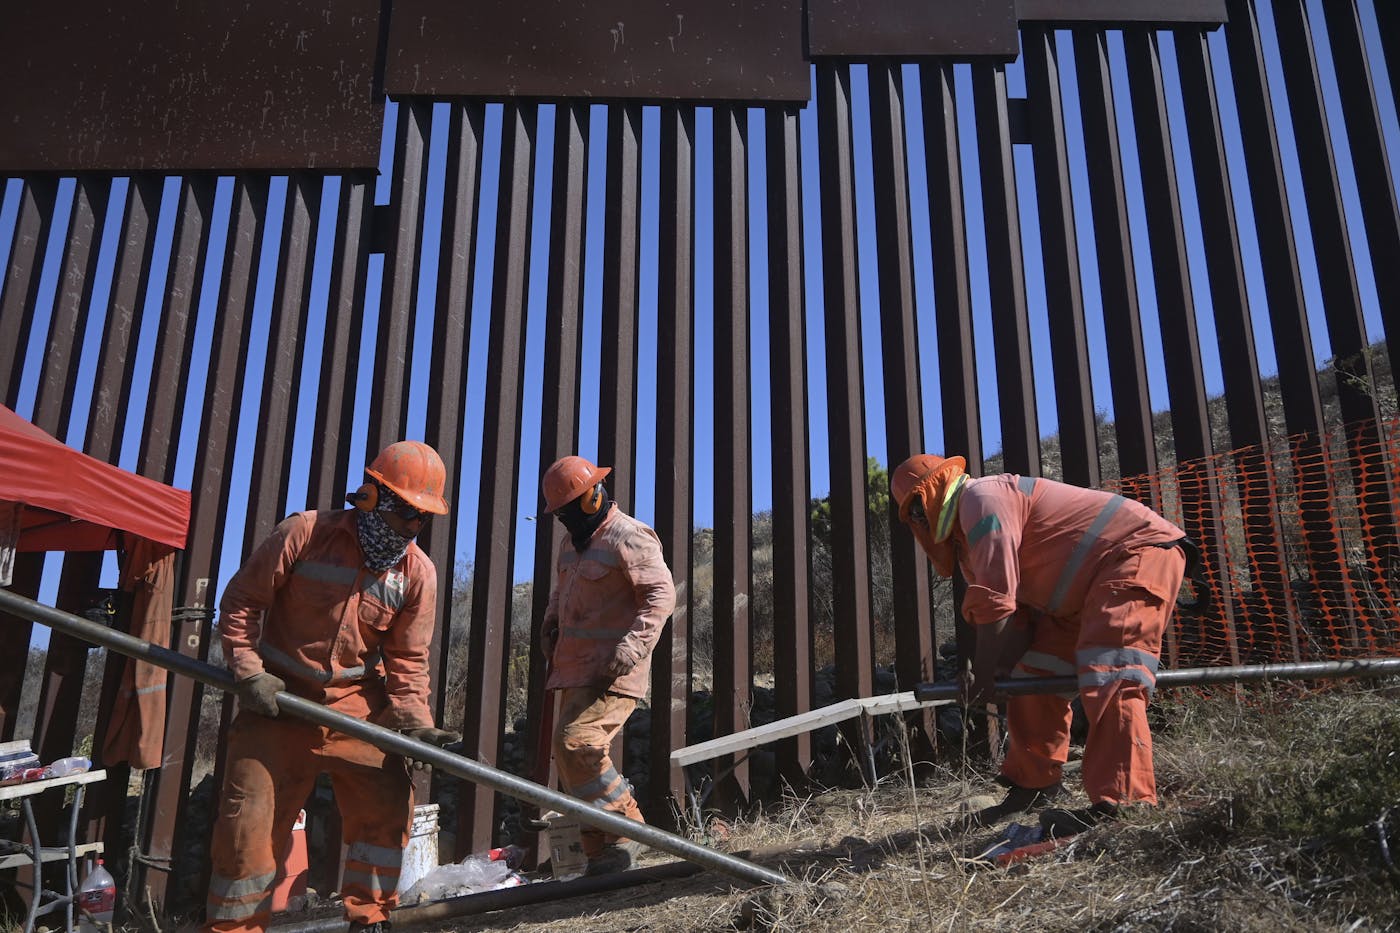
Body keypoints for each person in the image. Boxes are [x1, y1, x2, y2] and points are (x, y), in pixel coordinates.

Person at [205, 441, 461, 933]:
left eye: (423, 518)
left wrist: (418, 727)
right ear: (370, 497)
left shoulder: (416, 574)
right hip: (278, 706)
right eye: (406, 512)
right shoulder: (305, 533)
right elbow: (241, 603)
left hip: (356, 710)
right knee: (247, 829)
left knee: (385, 813)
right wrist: (249, 672)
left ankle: (370, 920)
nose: (413, 526)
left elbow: (408, 662)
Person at [890, 454, 1189, 837]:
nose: (917, 521)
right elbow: (1016, 616)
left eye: (916, 509)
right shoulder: (968, 539)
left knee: (1112, 673)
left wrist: (981, 674)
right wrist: (998, 671)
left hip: (1134, 554)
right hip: (1081, 595)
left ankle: (1124, 804)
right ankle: (1035, 786)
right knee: (1031, 680)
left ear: (929, 495)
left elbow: (997, 597)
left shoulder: (982, 500)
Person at [538, 455, 676, 875]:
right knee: (569, 756)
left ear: (592, 495)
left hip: (615, 668)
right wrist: (551, 620)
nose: (566, 521)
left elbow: (661, 595)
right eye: (560, 515)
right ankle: (600, 851)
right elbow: (563, 593)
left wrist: (632, 648)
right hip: (577, 669)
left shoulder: (628, 535)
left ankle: (629, 830)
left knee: (577, 743)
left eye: (569, 510)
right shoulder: (572, 544)